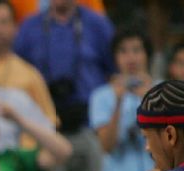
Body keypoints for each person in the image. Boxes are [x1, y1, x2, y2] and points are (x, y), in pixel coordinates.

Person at [12, 0, 114, 133]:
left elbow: (115, 71)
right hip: (43, 124)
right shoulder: (28, 27)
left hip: (91, 122)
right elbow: (18, 70)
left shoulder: (98, 25)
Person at [90, 28, 155, 171]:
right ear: (115, 57)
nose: (131, 58)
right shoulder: (102, 96)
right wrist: (118, 102)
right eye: (123, 51)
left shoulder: (163, 92)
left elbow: (173, 139)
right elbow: (107, 146)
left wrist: (148, 98)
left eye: (137, 50)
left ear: (147, 55)